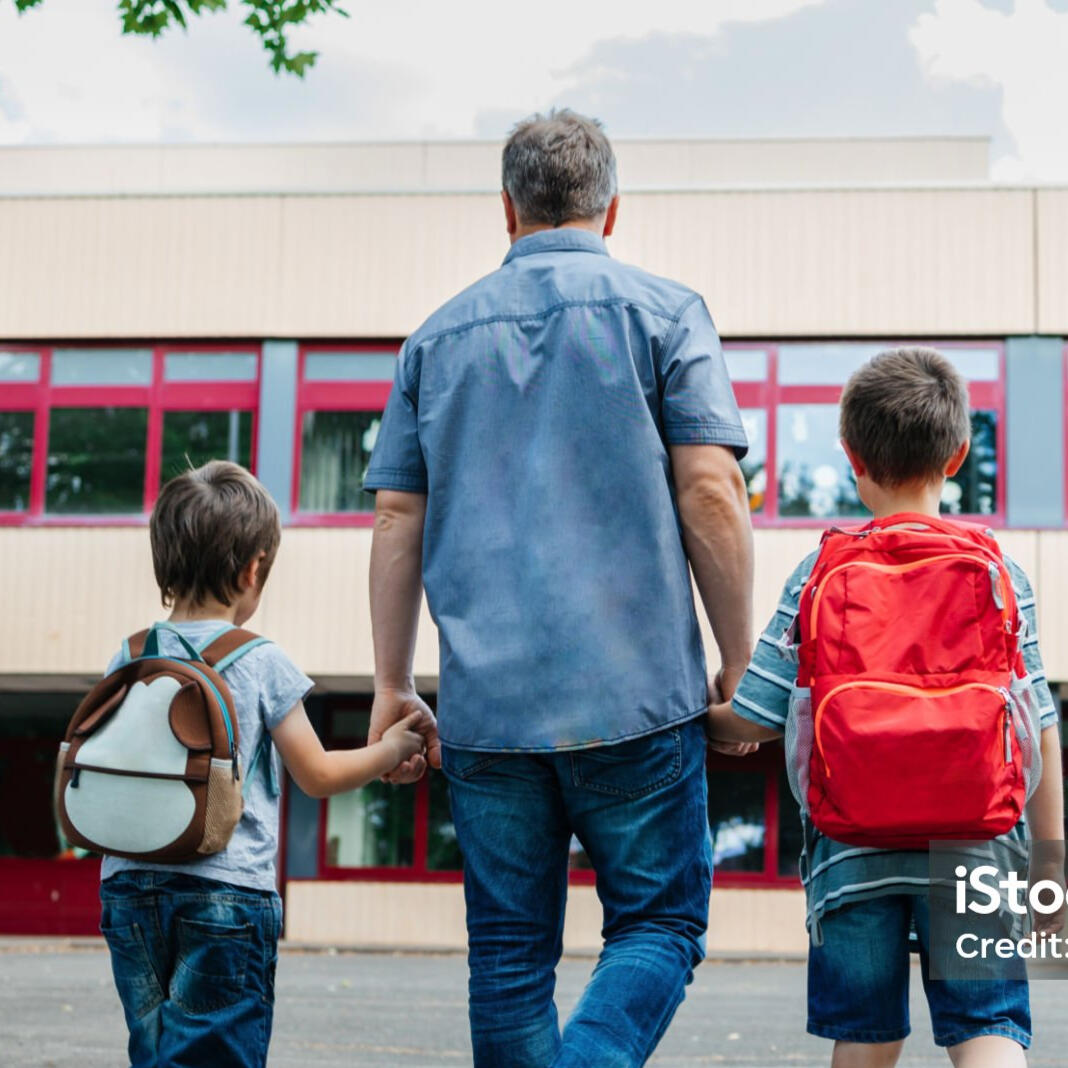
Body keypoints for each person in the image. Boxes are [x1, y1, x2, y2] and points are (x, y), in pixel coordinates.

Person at [363, 109, 754, 1068]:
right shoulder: (667, 314)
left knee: (507, 952)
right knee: (659, 924)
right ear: (612, 209)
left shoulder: (431, 342)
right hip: (638, 699)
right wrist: (742, 659)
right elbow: (710, 487)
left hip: (489, 713)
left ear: (506, 208)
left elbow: (394, 520)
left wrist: (391, 683)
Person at [706, 348, 1065, 1068]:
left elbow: (752, 718)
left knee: (867, 1035)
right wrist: (1051, 883)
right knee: (985, 1027)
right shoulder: (1002, 571)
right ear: (959, 453)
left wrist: (706, 721)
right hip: (978, 845)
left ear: (849, 456)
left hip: (852, 850)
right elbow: (1038, 730)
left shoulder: (820, 571)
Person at [98, 460, 431, 1068]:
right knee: (216, 1051)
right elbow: (318, 773)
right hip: (225, 892)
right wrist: (390, 748)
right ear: (253, 569)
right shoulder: (260, 660)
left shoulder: (127, 656)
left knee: (154, 1052)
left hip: (127, 888)